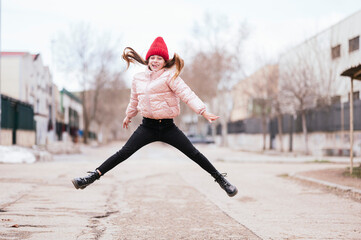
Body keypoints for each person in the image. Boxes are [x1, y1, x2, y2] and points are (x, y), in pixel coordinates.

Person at [71, 37, 238, 197]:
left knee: (193, 153)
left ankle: (221, 180)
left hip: (167, 127)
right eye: (153, 57)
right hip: (147, 127)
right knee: (123, 153)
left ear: (165, 61)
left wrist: (203, 111)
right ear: (148, 59)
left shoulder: (170, 76)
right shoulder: (138, 79)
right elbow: (134, 100)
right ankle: (91, 177)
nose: (155, 61)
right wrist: (128, 116)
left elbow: (187, 94)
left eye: (159, 58)